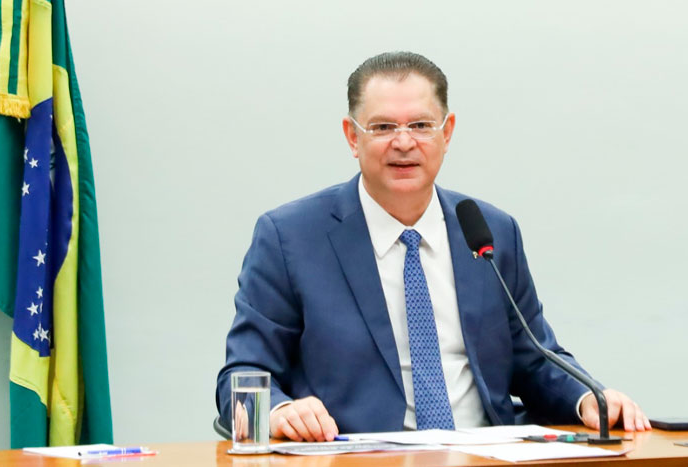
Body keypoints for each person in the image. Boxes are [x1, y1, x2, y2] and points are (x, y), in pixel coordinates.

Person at [216, 51, 649, 441]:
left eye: (421, 126)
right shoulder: (290, 237)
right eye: (383, 127)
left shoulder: (488, 230)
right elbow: (242, 376)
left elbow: (535, 359)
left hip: (485, 454)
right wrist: (278, 411)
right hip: (356, 458)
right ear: (352, 136)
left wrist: (586, 399)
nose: (404, 143)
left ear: (448, 132)